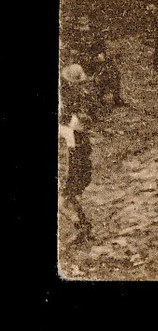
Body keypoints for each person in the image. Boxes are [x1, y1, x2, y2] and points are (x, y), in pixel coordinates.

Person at [59, 64, 95, 244]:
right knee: (68, 197)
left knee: (64, 200)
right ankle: (84, 226)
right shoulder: (80, 102)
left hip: (75, 161)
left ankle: (81, 227)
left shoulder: (70, 120)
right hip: (78, 158)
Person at [64, 14, 124, 109]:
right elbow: (73, 52)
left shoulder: (94, 32)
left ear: (88, 19)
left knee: (113, 71)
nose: (83, 19)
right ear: (77, 19)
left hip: (96, 59)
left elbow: (101, 45)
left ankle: (116, 98)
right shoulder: (75, 34)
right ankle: (98, 100)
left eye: (85, 17)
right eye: (80, 17)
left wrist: (101, 53)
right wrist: (88, 56)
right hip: (83, 61)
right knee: (94, 76)